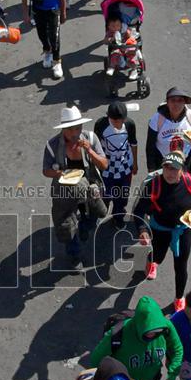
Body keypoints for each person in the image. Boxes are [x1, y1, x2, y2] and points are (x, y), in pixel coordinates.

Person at [133, 149, 191, 310]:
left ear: (182, 170)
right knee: (157, 256)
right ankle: (151, 263)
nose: (170, 172)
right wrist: (142, 230)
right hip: (160, 229)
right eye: (167, 167)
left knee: (181, 265)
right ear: (162, 167)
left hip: (183, 230)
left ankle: (179, 297)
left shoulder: (190, 181)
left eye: (174, 169)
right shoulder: (153, 185)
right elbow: (138, 211)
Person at [43, 105, 108, 268]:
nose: (75, 132)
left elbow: (104, 165)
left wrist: (90, 151)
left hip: (89, 186)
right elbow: (46, 171)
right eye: (71, 129)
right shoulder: (52, 145)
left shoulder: (91, 138)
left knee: (96, 215)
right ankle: (74, 254)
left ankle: (85, 226)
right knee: (66, 224)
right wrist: (61, 175)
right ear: (64, 129)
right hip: (66, 189)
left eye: (78, 127)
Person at [90, 295, 183, 380]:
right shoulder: (118, 333)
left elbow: (178, 349)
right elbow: (96, 359)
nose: (153, 334)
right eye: (148, 330)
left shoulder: (165, 326)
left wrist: (172, 376)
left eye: (157, 331)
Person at [22, 0, 67, 79]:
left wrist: (63, 12)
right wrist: (25, 13)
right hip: (38, 11)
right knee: (42, 34)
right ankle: (47, 51)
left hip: (53, 11)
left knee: (54, 36)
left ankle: (57, 61)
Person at [93, 100, 138, 226]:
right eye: (114, 121)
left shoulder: (129, 124)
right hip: (106, 166)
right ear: (108, 117)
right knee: (106, 194)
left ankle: (118, 216)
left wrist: (135, 163)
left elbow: (133, 143)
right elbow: (96, 145)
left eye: (120, 121)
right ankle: (100, 212)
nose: (118, 124)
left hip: (125, 166)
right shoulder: (100, 125)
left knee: (122, 196)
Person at [146, 87, 191, 173]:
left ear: (184, 102)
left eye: (180, 100)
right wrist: (151, 169)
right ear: (167, 103)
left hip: (185, 162)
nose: (176, 104)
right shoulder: (157, 119)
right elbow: (150, 146)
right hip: (162, 162)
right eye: (173, 100)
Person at [104, 14, 140, 81]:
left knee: (132, 55)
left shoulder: (124, 30)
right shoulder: (110, 33)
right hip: (117, 48)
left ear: (121, 25)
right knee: (115, 54)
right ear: (108, 27)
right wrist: (110, 39)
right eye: (113, 26)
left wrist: (129, 34)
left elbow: (130, 37)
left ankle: (134, 70)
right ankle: (112, 67)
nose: (115, 28)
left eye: (118, 26)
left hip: (126, 47)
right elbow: (105, 41)